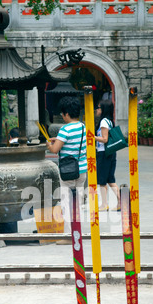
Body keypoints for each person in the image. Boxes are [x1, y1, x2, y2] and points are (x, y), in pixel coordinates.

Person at [48, 96, 87, 244]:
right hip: (81, 170)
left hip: (68, 172)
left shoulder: (65, 129)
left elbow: (55, 149)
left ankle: (68, 237)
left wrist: (49, 144)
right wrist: (57, 140)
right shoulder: (83, 127)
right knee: (78, 202)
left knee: (66, 202)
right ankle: (78, 232)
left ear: (66, 114)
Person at [95, 99, 120, 211]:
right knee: (110, 179)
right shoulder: (110, 121)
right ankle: (121, 202)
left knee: (102, 179)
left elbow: (104, 139)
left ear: (103, 109)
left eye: (99, 107)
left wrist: (91, 137)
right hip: (110, 153)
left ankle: (104, 204)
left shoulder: (104, 122)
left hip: (104, 153)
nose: (97, 109)